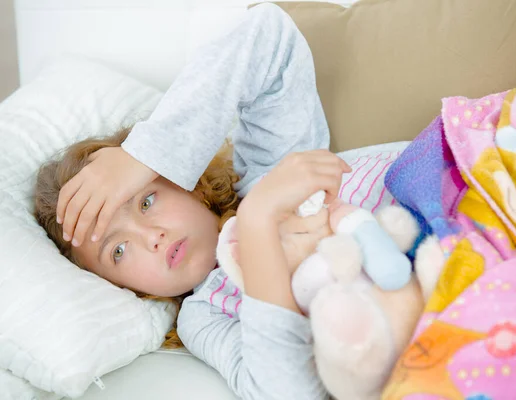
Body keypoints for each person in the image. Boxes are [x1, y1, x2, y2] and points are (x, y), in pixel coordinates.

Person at [35, 4, 351, 400]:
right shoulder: (205, 316)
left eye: (146, 201)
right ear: (121, 287)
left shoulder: (269, 173)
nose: (152, 236)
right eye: (117, 250)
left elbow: (267, 33)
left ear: (185, 182)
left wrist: (144, 155)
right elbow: (289, 392)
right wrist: (256, 225)